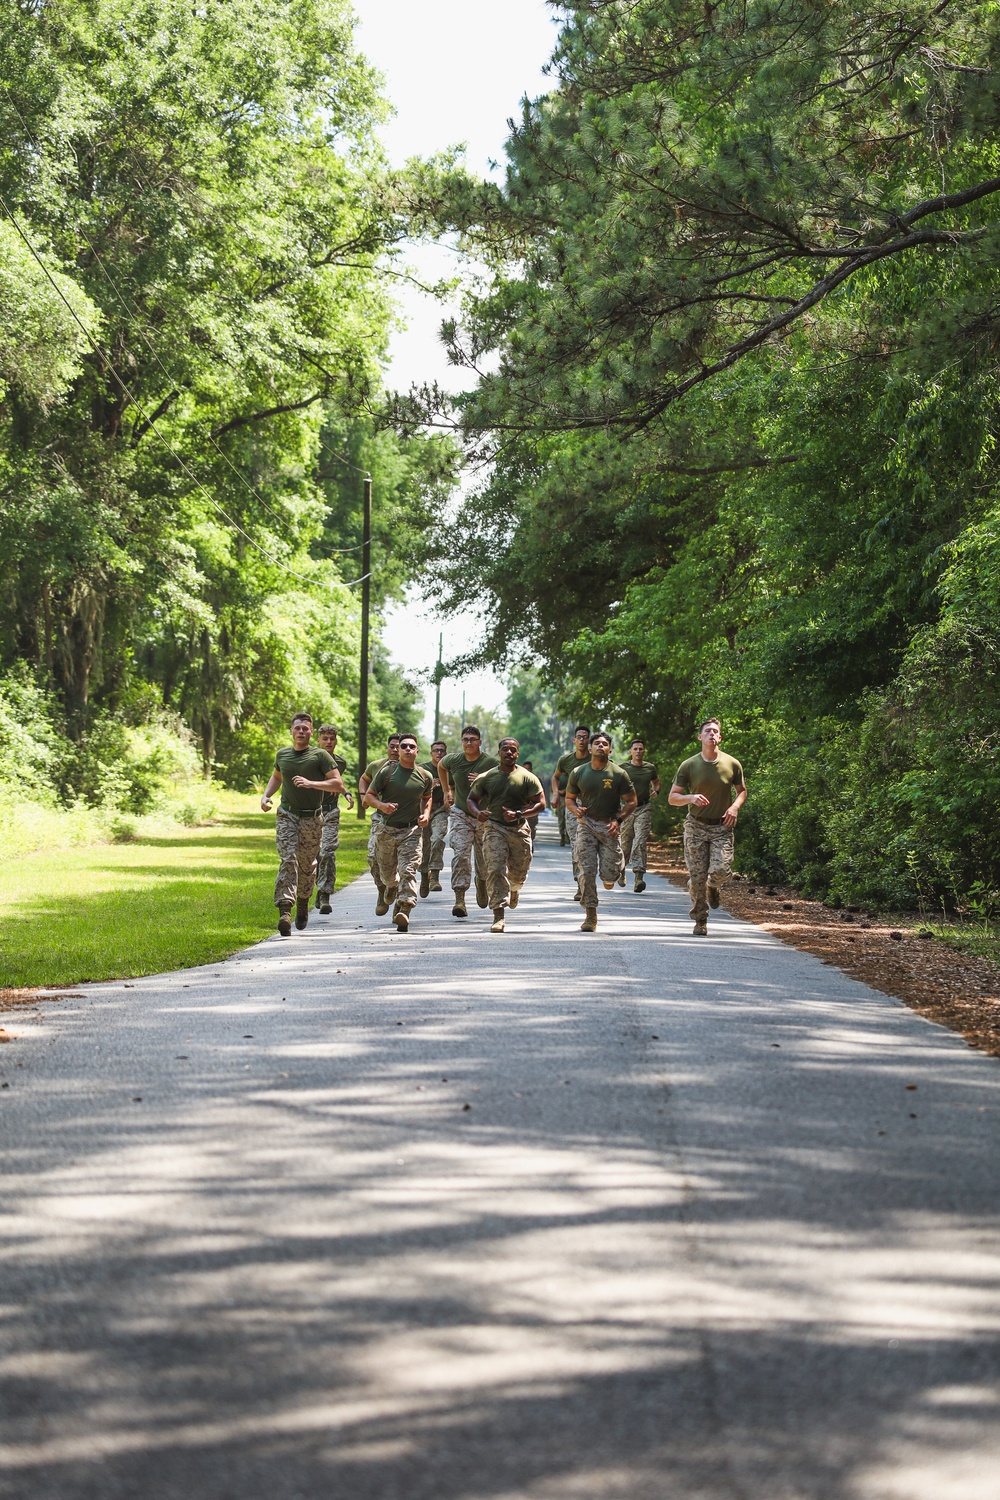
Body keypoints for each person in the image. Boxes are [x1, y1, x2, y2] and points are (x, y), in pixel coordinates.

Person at [260, 712, 346, 936]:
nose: (301, 732)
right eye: (297, 728)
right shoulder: (283, 754)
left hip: (312, 818)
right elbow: (277, 776)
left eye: (305, 728)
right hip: (287, 814)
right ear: (291, 731)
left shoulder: (320, 756)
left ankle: (303, 901)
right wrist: (266, 795)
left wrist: (311, 783)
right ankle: (285, 910)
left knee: (307, 865)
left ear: (311, 732)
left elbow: (337, 784)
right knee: (288, 859)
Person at [668, 716, 747, 936]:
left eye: (715, 731)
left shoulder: (732, 764)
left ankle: (714, 887)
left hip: (722, 826)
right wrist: (690, 797)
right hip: (695, 826)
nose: (712, 734)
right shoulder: (689, 765)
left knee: (721, 870)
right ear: (700, 737)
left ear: (720, 737)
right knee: (696, 877)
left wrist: (735, 807)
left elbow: (742, 791)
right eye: (708, 731)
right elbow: (672, 797)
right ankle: (700, 920)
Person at [467, 739, 545, 931]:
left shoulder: (527, 777)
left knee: (518, 874)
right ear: (499, 752)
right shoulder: (487, 777)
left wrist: (519, 814)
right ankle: (498, 915)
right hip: (494, 828)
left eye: (513, 750)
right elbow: (471, 799)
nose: (509, 753)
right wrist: (478, 813)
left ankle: (514, 888)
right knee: (495, 869)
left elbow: (541, 804)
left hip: (519, 829)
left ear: (517, 754)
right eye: (505, 749)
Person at [565, 731, 637, 932]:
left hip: (609, 827)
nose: (600, 746)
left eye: (604, 744)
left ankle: (616, 870)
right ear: (590, 749)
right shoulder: (579, 772)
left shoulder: (618, 774)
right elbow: (569, 798)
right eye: (596, 743)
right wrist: (575, 809)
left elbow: (632, 801)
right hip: (586, 825)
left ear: (610, 749)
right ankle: (590, 914)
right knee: (586, 872)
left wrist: (619, 820)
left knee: (609, 875)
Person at [363, 734, 433, 931]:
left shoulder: (424, 776)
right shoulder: (386, 772)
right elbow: (369, 795)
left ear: (417, 751)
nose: (408, 749)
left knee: (408, 870)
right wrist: (382, 806)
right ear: (399, 750)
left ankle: (405, 908)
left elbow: (427, 797)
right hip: (386, 830)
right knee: (388, 875)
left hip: (411, 830)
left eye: (412, 746)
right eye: (404, 746)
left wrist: (426, 814)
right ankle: (391, 888)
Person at [438, 726, 499, 918]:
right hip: (460, 814)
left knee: (484, 860)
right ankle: (460, 898)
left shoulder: (490, 763)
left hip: (483, 816)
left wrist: (484, 779)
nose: (469, 743)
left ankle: (481, 883)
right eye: (465, 739)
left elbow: (503, 781)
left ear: (480, 742)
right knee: (461, 855)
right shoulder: (453, 760)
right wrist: (448, 789)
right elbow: (441, 766)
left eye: (473, 739)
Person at [314, 724, 354, 914]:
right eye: (325, 739)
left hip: (330, 812)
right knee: (312, 855)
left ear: (336, 741)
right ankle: (310, 891)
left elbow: (335, 781)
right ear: (318, 740)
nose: (328, 742)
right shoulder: (308, 760)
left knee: (327, 852)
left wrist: (346, 793)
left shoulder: (341, 763)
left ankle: (324, 894)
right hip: (310, 812)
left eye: (332, 739)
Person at [359, 734, 401, 906]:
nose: (396, 750)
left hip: (403, 823)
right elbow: (364, 779)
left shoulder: (413, 769)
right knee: (373, 858)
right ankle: (381, 889)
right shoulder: (377, 765)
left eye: (400, 746)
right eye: (392, 746)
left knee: (400, 864)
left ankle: (399, 903)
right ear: (387, 747)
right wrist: (364, 796)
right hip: (380, 820)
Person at [551, 725, 592, 880]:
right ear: (574, 740)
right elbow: (555, 777)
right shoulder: (566, 760)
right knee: (576, 843)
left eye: (585, 737)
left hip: (593, 804)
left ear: (589, 740)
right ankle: (580, 881)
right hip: (572, 803)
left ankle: (589, 875)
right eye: (579, 737)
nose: (581, 740)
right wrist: (555, 794)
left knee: (589, 844)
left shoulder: (596, 758)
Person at [619, 738, 660, 893]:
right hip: (627, 809)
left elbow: (656, 781)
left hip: (644, 807)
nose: (638, 751)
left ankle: (638, 878)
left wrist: (656, 790)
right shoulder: (622, 769)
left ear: (644, 751)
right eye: (635, 749)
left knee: (640, 841)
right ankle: (621, 871)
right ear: (631, 751)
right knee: (625, 843)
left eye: (640, 749)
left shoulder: (650, 768)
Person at [418, 740, 449, 898]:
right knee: (424, 845)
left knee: (437, 839)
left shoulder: (448, 769)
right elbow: (414, 790)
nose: (439, 753)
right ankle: (424, 876)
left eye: (442, 750)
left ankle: (434, 876)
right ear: (431, 753)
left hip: (441, 810)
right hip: (424, 810)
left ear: (445, 753)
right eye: (436, 750)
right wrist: (429, 786)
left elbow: (456, 788)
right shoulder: (422, 769)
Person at [521, 759, 545, 844]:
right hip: (522, 807)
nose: (527, 771)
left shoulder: (536, 780)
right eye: (525, 769)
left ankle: (530, 843)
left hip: (532, 807)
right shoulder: (518, 779)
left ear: (531, 769)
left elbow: (541, 794)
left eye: (528, 769)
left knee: (531, 827)